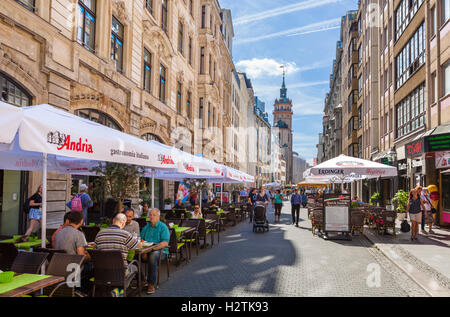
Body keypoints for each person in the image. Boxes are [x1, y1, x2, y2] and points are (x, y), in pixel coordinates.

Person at [94, 213, 142, 286]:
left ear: (113, 220)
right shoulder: (125, 234)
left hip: (102, 272)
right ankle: (120, 288)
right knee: (135, 267)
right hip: (120, 272)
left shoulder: (100, 233)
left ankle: (112, 287)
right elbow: (139, 245)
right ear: (123, 224)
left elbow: (95, 250)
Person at [140, 208, 170, 295]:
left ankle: (151, 284)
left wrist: (151, 249)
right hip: (146, 250)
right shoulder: (146, 227)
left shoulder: (163, 227)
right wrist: (144, 251)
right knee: (133, 256)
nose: (152, 217)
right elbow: (141, 240)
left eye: (154, 215)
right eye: (150, 215)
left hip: (161, 251)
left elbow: (164, 243)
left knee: (153, 256)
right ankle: (142, 280)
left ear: (159, 216)